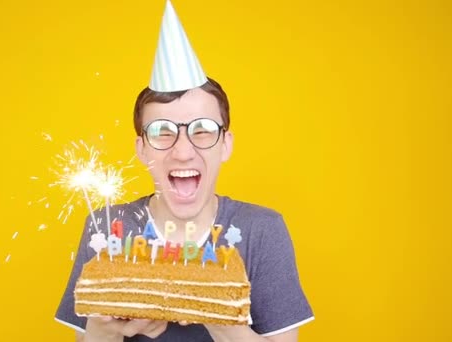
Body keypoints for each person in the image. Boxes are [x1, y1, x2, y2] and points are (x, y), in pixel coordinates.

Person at [55, 2, 313, 341]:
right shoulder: (107, 229)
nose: (182, 149)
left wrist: (223, 318)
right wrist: (103, 331)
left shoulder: (260, 231)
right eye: (162, 131)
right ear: (141, 148)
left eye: (202, 129)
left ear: (225, 144)